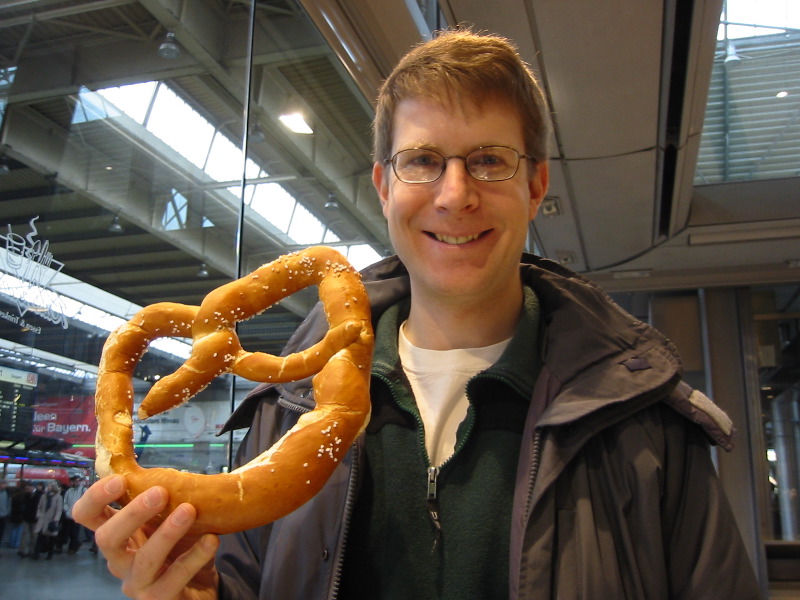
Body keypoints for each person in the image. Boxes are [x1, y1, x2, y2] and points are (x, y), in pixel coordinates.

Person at [74, 28, 764, 599]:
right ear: (384, 186)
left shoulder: (642, 422)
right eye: (422, 161)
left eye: (488, 160)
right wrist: (189, 591)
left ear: (535, 184)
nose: (454, 194)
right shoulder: (284, 415)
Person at [32, 480, 63, 560]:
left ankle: (50, 554)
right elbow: (39, 506)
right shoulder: (44, 496)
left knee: (51, 539)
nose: (48, 487)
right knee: (40, 537)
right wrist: (38, 515)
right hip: (43, 519)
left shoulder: (58, 497)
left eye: (50, 486)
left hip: (52, 520)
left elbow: (59, 509)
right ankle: (36, 553)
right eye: (48, 486)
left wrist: (56, 519)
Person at [59, 475, 86, 554]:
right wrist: (67, 510)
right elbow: (65, 502)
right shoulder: (69, 491)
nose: (77, 482)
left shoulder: (83, 490)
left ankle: (73, 547)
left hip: (77, 515)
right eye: (75, 481)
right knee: (68, 531)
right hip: (68, 515)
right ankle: (74, 544)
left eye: (78, 481)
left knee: (75, 532)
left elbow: (86, 501)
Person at [16, 481, 38, 557]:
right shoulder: (25, 495)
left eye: (28, 488)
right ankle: (22, 550)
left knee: (34, 535)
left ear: (32, 487)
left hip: (35, 518)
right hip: (26, 517)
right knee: (24, 533)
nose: (27, 490)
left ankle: (32, 550)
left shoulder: (38, 494)